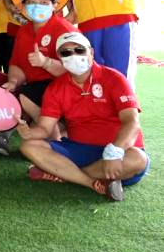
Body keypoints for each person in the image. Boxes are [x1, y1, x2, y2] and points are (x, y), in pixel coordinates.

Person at [18, 31, 148, 202]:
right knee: (29, 146)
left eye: (79, 50)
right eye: (66, 53)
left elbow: (131, 122)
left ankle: (63, 174)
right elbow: (44, 128)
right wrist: (30, 133)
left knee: (137, 159)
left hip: (121, 149)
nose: (73, 56)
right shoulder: (56, 87)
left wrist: (115, 153)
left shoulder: (114, 78)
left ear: (91, 52)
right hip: (78, 149)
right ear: (60, 58)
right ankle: (91, 182)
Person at [6, 0, 75, 122]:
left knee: (27, 95)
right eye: (31, 2)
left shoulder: (65, 30)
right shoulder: (23, 31)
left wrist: (46, 63)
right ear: (24, 6)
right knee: (15, 97)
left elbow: (77, 69)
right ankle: (50, 127)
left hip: (65, 88)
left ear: (54, 5)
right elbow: (17, 64)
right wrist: (13, 82)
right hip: (36, 88)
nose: (37, 6)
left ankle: (50, 128)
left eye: (44, 2)